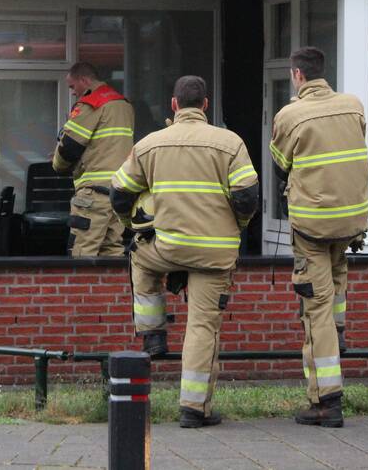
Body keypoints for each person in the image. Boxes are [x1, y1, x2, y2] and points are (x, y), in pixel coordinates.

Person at [111, 75, 259, 428]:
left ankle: (152, 333)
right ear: (205, 105)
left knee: (139, 257)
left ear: (174, 105)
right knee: (203, 326)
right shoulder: (230, 143)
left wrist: (132, 224)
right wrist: (234, 228)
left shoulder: (149, 145)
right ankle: (194, 408)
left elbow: (119, 194)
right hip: (215, 253)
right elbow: (247, 198)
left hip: (166, 248)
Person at [270, 47, 368, 428]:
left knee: (316, 308)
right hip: (351, 219)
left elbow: (281, 166)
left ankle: (327, 402)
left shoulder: (290, 115)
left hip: (313, 224)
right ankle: (339, 329)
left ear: (297, 76)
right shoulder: (354, 105)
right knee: (337, 276)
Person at [53, 62, 134, 257]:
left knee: (81, 253)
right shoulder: (123, 105)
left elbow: (70, 147)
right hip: (119, 193)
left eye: (73, 86)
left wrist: (57, 164)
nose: (73, 92)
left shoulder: (91, 103)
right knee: (112, 252)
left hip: (93, 195)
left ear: (84, 80)